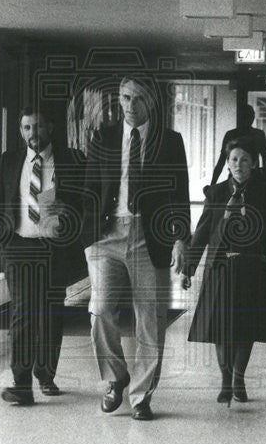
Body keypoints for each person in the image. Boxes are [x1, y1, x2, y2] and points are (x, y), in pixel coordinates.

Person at [80, 75, 191, 420]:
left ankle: (141, 396)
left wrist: (180, 239)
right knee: (100, 311)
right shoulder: (104, 137)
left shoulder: (169, 142)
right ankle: (116, 378)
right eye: (125, 98)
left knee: (150, 319)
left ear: (151, 103)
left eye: (137, 99)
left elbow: (179, 194)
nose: (130, 106)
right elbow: (89, 188)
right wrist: (88, 237)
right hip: (106, 235)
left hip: (149, 236)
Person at [183, 137, 266, 404]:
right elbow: (203, 231)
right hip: (221, 267)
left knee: (246, 328)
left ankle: (239, 379)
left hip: (254, 268)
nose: (239, 164)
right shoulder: (217, 193)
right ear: (227, 164)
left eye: (244, 160)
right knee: (221, 327)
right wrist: (189, 268)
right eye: (233, 160)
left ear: (254, 163)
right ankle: (224, 381)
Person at [0, 107, 86, 405]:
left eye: (39, 126)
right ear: (21, 131)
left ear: (50, 128)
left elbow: (84, 203)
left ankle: (46, 375)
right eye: (27, 127)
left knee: (49, 313)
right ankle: (20, 382)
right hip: (18, 245)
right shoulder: (10, 160)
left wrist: (69, 216)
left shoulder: (70, 160)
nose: (33, 133)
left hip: (54, 247)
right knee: (22, 312)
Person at [207, 104, 266, 191]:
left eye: (252, 116)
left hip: (252, 178)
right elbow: (221, 161)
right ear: (241, 117)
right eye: (248, 116)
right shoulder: (255, 134)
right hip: (238, 177)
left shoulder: (257, 134)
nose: (250, 118)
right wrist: (212, 185)